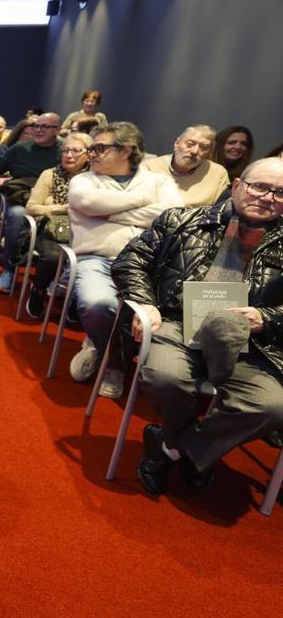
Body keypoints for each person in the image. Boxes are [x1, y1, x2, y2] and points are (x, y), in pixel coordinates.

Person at [112, 157, 283, 495]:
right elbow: (130, 260)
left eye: (280, 193)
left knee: (273, 405)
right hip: (176, 323)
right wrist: (144, 301)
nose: (268, 197)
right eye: (260, 186)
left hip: (250, 340)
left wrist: (267, 318)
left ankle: (172, 448)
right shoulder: (181, 219)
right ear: (236, 186)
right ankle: (196, 453)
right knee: (165, 378)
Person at [66, 122, 184, 399]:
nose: (91, 153)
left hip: (147, 265)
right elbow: (87, 203)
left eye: (100, 148)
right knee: (98, 304)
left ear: (126, 150)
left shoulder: (159, 181)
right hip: (97, 258)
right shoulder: (83, 180)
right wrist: (142, 201)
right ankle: (114, 360)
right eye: (91, 148)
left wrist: (113, 213)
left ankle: (101, 347)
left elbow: (172, 214)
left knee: (154, 312)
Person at [0, 112, 63, 293]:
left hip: (52, 200)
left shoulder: (64, 151)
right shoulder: (20, 149)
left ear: (58, 130)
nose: (39, 130)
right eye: (37, 126)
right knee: (17, 215)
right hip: (23, 196)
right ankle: (9, 269)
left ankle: (58, 277)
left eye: (45, 127)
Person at [22, 132, 92, 319]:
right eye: (66, 150)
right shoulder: (49, 174)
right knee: (53, 256)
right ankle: (37, 290)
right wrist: (62, 208)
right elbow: (31, 207)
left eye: (76, 151)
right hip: (52, 229)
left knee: (93, 259)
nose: (69, 155)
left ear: (89, 154)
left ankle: (76, 299)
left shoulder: (96, 179)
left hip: (86, 231)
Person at [142, 124, 229, 206]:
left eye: (204, 148)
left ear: (209, 152)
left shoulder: (218, 173)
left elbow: (220, 210)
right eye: (189, 144)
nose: (194, 151)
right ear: (177, 144)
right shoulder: (149, 167)